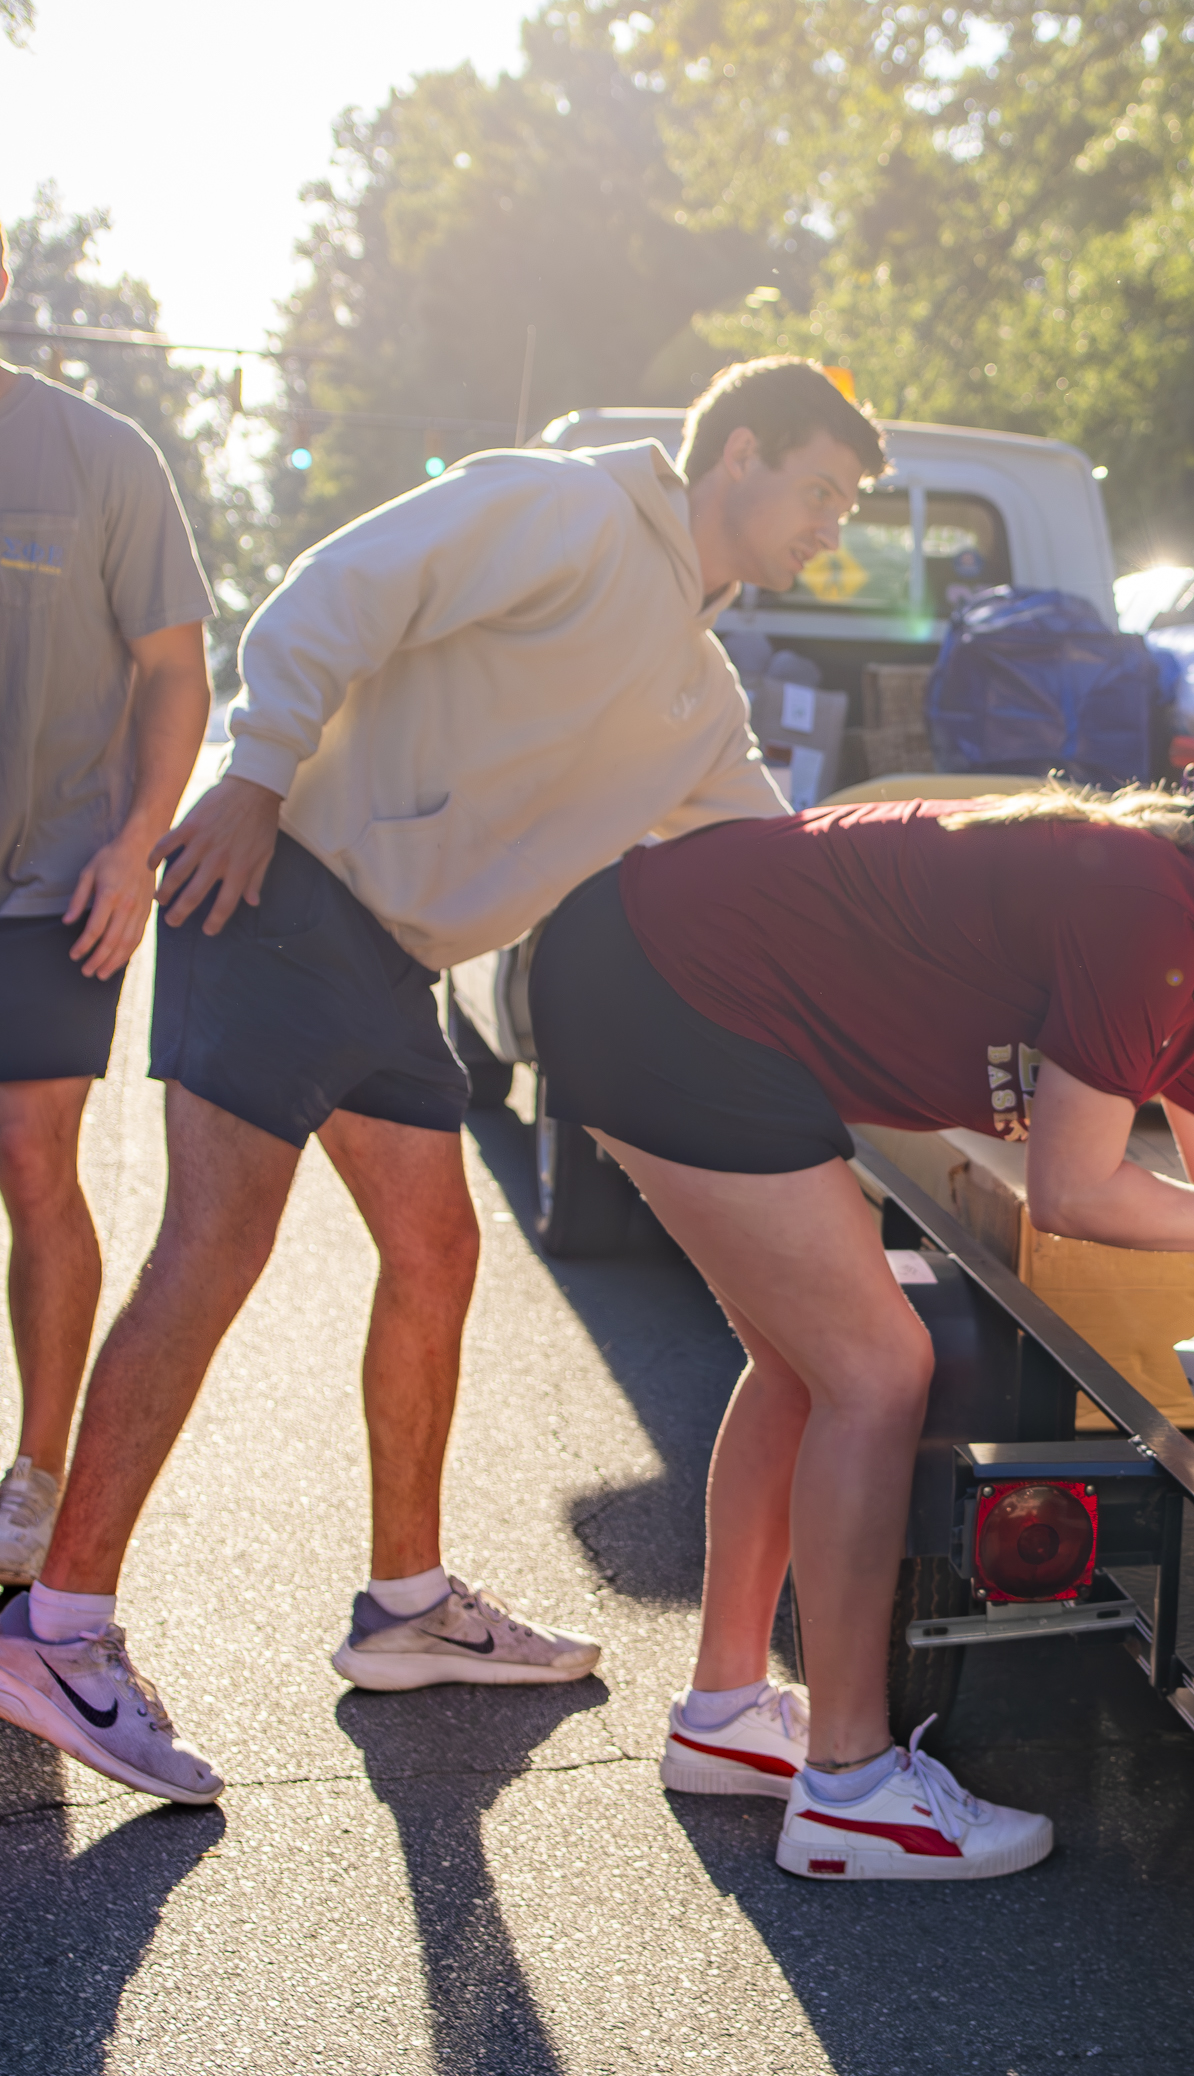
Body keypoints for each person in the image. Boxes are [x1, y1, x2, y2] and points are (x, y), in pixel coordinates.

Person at [0, 356, 884, 1808]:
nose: (828, 527)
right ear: (736, 454)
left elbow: (761, 866)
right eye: (819, 493)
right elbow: (333, 594)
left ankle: (406, 1607)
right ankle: (60, 1628)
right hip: (280, 884)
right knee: (216, 1243)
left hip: (386, 956)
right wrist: (259, 770)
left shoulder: (697, 684)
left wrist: (921, 913)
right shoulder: (567, 511)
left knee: (438, 1247)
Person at [526, 748, 1194, 1882]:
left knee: (813, 1369)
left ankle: (724, 1716)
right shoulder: (1141, 907)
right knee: (877, 1370)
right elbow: (1077, 1191)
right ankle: (850, 1787)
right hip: (658, 985)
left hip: (658, 978)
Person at [0, 226, 214, 1590]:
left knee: (30, 1153)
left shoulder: (101, 455)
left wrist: (138, 842)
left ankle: (36, 1473)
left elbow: (178, 673)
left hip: (50, 874)